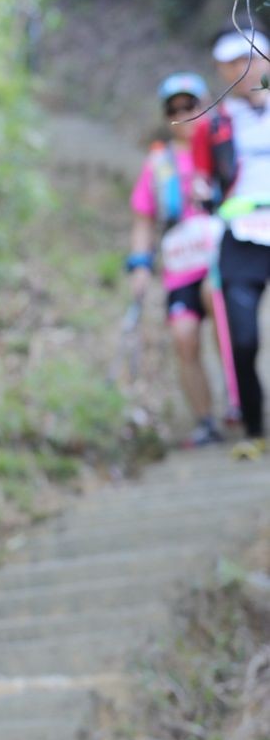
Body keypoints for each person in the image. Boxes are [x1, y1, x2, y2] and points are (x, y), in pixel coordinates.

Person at [125, 73, 225, 447]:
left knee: (222, 311)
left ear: (206, 105)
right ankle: (205, 420)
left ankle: (239, 398)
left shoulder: (223, 149)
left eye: (191, 106)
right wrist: (139, 265)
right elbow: (143, 219)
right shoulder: (159, 163)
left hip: (220, 260)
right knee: (184, 337)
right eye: (175, 109)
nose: (184, 115)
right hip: (180, 264)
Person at [194, 26, 270, 455]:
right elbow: (203, 179)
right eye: (233, 63)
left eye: (251, 58)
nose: (244, 69)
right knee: (242, 339)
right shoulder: (214, 125)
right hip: (240, 236)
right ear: (221, 70)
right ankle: (254, 428)